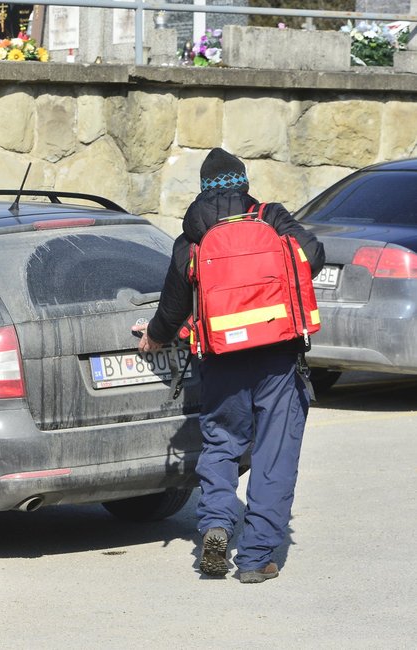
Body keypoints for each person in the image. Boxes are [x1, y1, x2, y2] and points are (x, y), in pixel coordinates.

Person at [133, 148, 324, 583]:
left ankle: (217, 524)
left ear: (203, 190)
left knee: (222, 444)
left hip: (221, 360)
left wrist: (155, 336)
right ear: (242, 182)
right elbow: (313, 256)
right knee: (274, 456)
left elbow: (174, 305)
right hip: (278, 359)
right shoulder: (270, 217)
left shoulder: (193, 237)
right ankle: (256, 558)